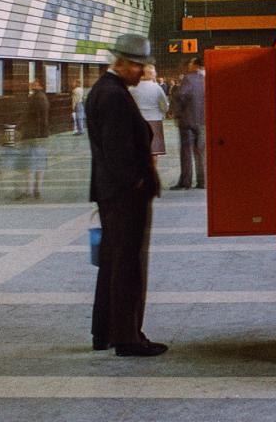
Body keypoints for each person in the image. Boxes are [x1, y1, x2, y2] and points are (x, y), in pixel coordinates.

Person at [86, 33, 167, 357]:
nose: (141, 71)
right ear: (120, 62)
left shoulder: (103, 91)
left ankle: (104, 331)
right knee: (127, 266)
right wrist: (135, 183)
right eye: (137, 65)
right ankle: (128, 337)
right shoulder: (114, 96)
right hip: (124, 196)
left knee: (111, 263)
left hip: (110, 193)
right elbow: (118, 149)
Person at [170, 57, 206, 191]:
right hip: (203, 121)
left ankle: (186, 182)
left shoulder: (189, 78)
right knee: (201, 151)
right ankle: (203, 181)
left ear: (195, 65)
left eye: (190, 63)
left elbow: (181, 95)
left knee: (186, 151)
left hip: (188, 120)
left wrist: (177, 112)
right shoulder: (207, 79)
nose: (188, 66)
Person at [131, 63, 169, 163]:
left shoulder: (132, 88)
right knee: (154, 152)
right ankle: (152, 174)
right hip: (155, 121)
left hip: (137, 122)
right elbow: (165, 106)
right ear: (152, 74)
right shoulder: (157, 88)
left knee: (138, 152)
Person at [19, 79, 49, 199]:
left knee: (29, 164)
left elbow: (27, 116)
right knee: (40, 163)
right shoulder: (44, 97)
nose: (30, 84)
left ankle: (28, 191)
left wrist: (17, 127)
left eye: (34, 83)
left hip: (31, 135)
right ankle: (37, 190)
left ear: (39, 85)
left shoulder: (34, 98)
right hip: (42, 135)